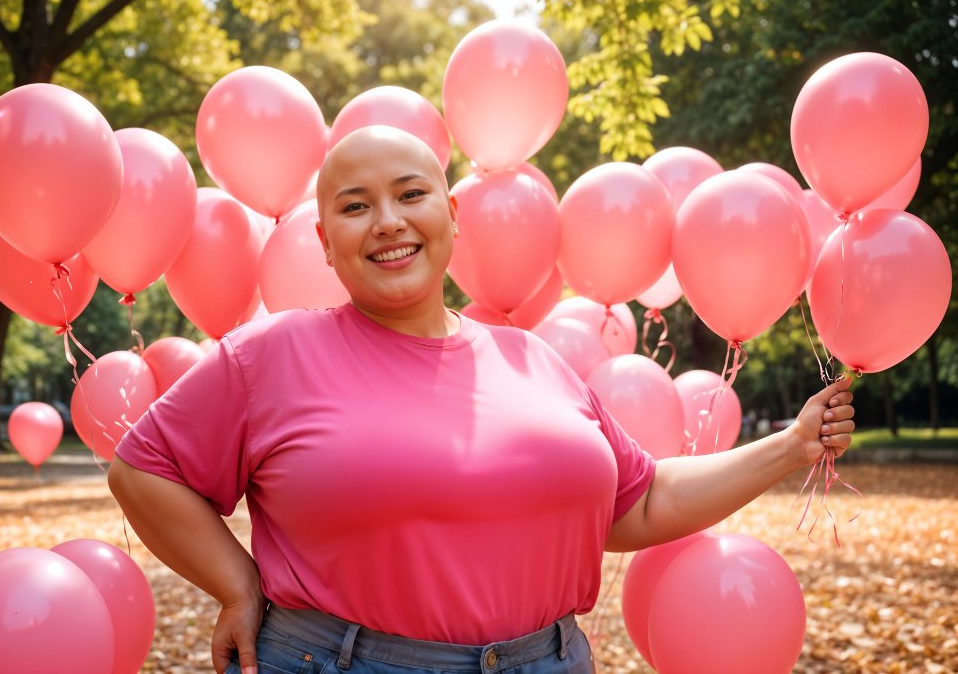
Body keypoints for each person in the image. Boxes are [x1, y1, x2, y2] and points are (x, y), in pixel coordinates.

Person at [108, 126, 856, 674]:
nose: (390, 222)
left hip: (549, 662)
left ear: (453, 216)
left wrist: (791, 445)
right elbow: (143, 470)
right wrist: (236, 585)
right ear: (326, 242)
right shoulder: (269, 355)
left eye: (411, 194)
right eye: (355, 206)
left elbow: (642, 501)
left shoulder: (530, 358)